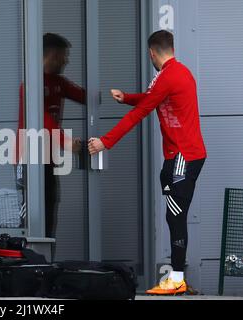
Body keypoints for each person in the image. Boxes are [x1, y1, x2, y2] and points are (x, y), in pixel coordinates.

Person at [88, 30, 207, 295]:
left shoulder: (169, 76)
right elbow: (152, 98)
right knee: (174, 214)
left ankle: (177, 279)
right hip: (181, 156)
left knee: (175, 215)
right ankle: (177, 278)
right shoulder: (176, 73)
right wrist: (127, 98)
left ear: (152, 52)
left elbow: (141, 113)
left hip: (183, 157)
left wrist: (105, 142)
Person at [17, 33, 86, 238]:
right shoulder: (31, 83)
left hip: (47, 157)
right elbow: (41, 118)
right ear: (54, 55)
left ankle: (44, 261)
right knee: (31, 213)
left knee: (49, 206)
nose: (67, 61)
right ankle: (27, 261)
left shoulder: (58, 82)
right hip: (28, 156)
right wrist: (65, 141)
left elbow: (86, 97)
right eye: (64, 56)